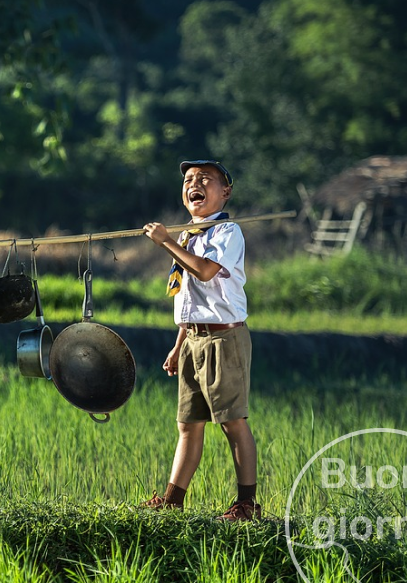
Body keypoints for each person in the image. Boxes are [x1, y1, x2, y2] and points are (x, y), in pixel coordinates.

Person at [141, 160, 259, 521]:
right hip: (193, 339)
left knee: (231, 421)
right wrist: (179, 346)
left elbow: (205, 272)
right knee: (188, 424)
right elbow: (188, 298)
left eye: (205, 179)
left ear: (225, 192)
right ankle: (173, 499)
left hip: (225, 339)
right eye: (190, 180)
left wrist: (166, 243)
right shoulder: (188, 236)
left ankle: (246, 505)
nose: (195, 184)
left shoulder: (228, 232)